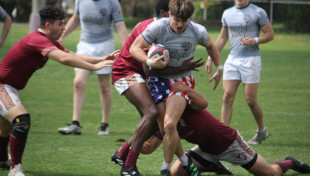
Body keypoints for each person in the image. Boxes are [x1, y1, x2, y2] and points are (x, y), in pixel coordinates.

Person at [0, 6, 118, 176]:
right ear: (48, 25)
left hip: (10, 87)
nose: (64, 28)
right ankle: (15, 168)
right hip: (2, 85)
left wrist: (102, 58)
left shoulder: (48, 41)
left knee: (5, 130)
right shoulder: (38, 39)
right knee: (22, 120)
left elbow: (72, 54)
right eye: (61, 24)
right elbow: (64, 59)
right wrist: (94, 66)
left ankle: (3, 160)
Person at [111, 0, 206, 175]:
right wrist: (181, 69)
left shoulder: (156, 25)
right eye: (174, 16)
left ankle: (122, 152)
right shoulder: (155, 28)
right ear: (165, 14)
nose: (178, 24)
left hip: (141, 73)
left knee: (158, 123)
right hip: (125, 71)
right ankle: (128, 165)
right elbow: (150, 70)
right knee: (152, 114)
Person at [138, 80, 310, 176]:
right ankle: (215, 166)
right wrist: (133, 146)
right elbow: (150, 147)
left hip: (228, 142)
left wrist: (186, 89)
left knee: (271, 175)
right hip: (205, 149)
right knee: (177, 172)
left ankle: (291, 162)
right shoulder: (164, 122)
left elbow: (204, 103)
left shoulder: (180, 103)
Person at [129, 0, 223, 175]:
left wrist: (219, 68)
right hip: (158, 80)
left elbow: (210, 45)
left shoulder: (197, 31)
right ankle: (186, 161)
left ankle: (165, 169)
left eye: (184, 21)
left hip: (181, 81)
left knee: (170, 124)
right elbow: (134, 48)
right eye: (177, 20)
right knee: (164, 129)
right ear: (169, 15)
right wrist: (149, 61)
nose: (180, 25)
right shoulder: (158, 27)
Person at [206, 0, 274, 145]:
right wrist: (211, 57)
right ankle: (223, 135)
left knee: (250, 100)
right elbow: (222, 38)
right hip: (233, 59)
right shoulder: (227, 13)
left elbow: (270, 34)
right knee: (227, 96)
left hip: (251, 60)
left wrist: (255, 40)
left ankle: (261, 131)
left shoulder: (258, 12)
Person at [57, 0, 128, 135]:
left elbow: (121, 27)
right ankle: (75, 123)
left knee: (104, 86)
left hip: (105, 45)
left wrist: (127, 51)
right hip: (85, 45)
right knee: (78, 83)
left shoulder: (112, 3)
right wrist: (62, 35)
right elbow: (75, 19)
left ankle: (104, 124)